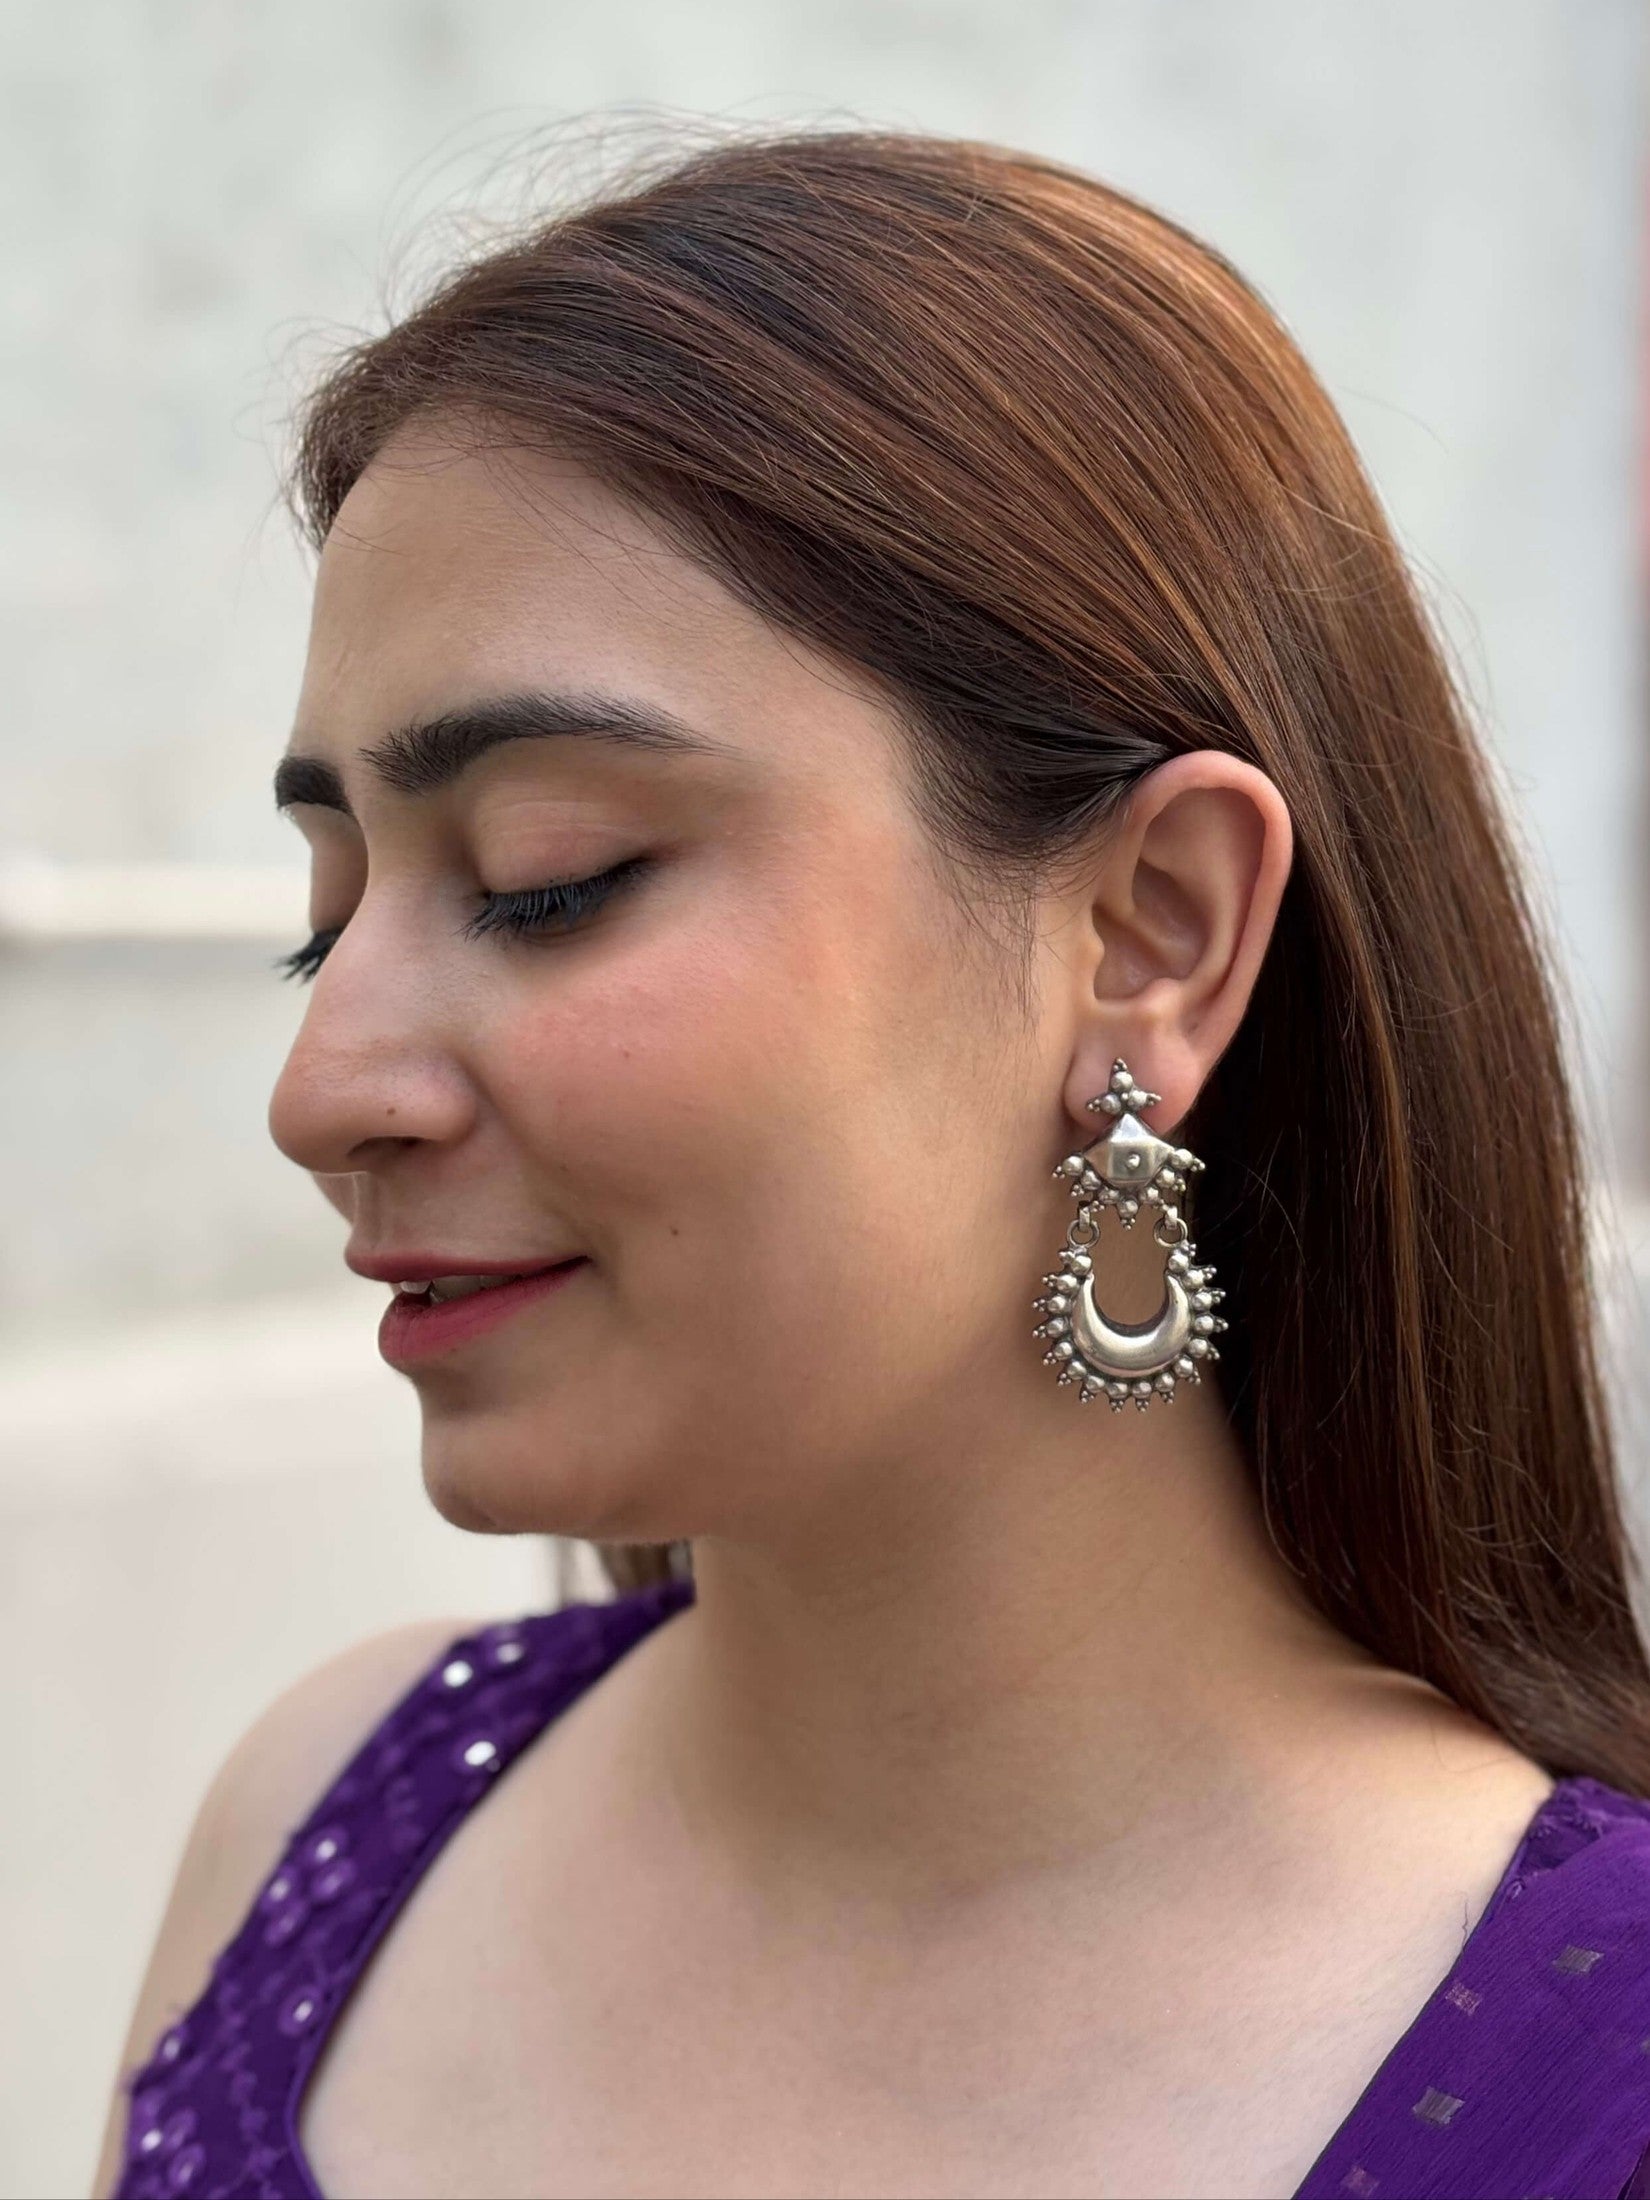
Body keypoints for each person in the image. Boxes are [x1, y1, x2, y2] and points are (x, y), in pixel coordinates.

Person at [94, 126, 1650, 2200]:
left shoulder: (1595, 2065)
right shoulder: (316, 1832)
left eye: (552, 876)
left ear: (1152, 933)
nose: (323, 1088)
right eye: (328, 909)